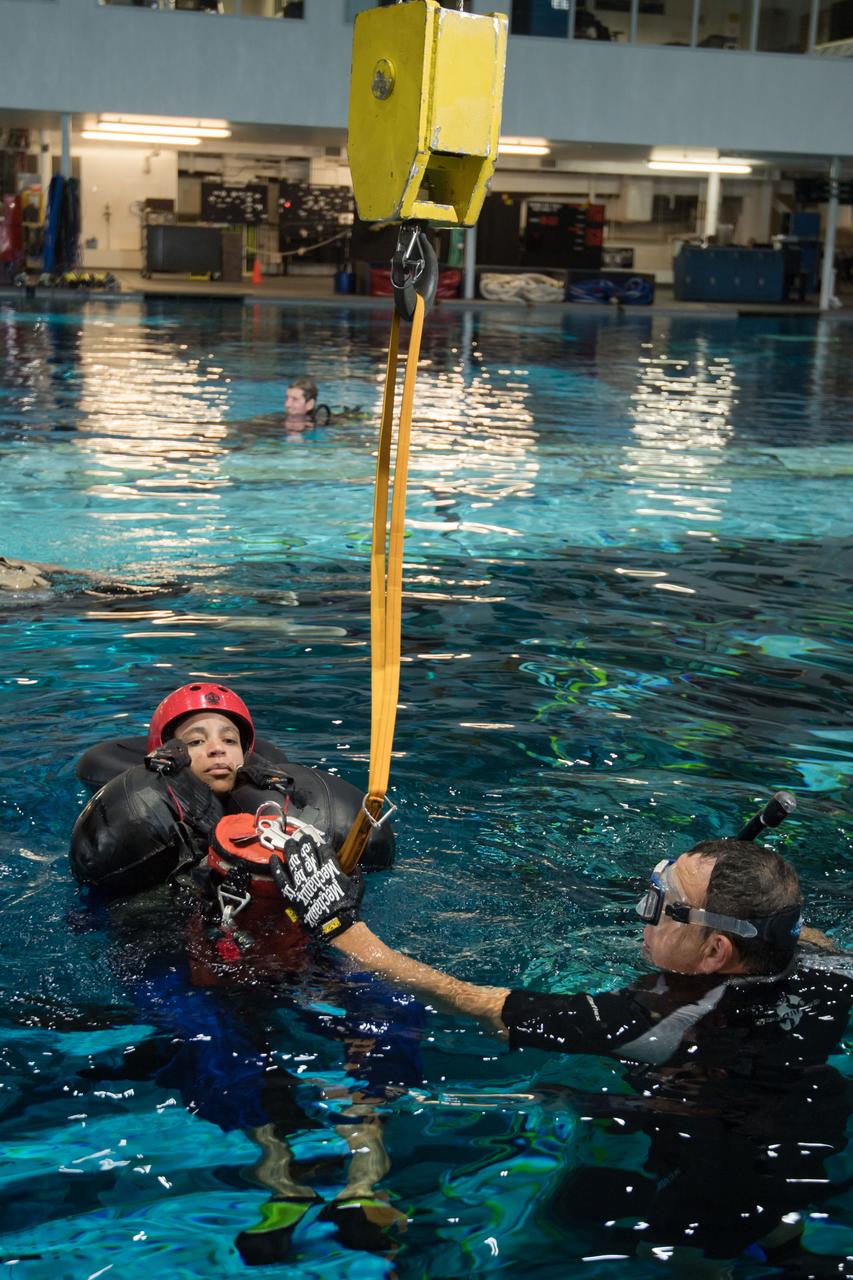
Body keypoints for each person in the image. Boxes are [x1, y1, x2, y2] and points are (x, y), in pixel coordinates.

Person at [270, 832, 853, 1271]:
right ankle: (788, 1248)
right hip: (801, 1130)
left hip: (708, 1171)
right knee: (769, 1204)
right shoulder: (828, 967)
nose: (641, 911)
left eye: (658, 903)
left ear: (714, 953)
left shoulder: (658, 1021)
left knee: (623, 1232)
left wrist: (336, 924)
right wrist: (697, 913)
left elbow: (469, 1000)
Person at [70, 681, 393, 895]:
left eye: (229, 740)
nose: (217, 749)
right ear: (168, 755)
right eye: (196, 741)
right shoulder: (152, 811)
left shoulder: (276, 805)